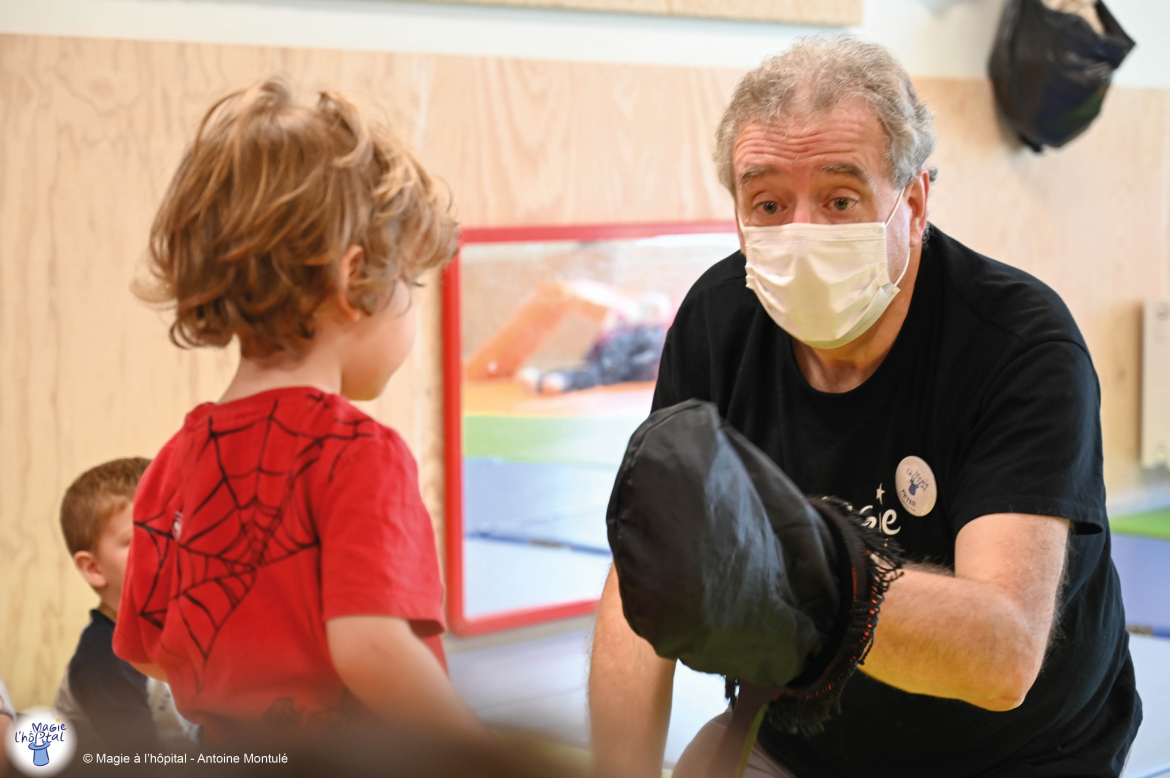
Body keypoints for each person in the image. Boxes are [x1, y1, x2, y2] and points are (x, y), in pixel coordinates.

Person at [588, 36, 1141, 778]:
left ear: (912, 204)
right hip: (800, 735)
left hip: (1021, 754)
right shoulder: (719, 322)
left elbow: (1004, 656)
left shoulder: (1020, 344)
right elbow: (642, 577)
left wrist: (822, 578)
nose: (803, 232)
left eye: (840, 199)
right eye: (769, 203)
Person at [112, 77, 487, 745]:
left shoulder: (173, 460)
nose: (415, 302)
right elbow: (373, 649)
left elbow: (144, 647)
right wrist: (479, 752)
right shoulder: (358, 452)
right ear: (352, 281)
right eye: (410, 279)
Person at [55, 457, 197, 751]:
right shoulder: (101, 658)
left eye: (174, 530)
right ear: (94, 568)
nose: (167, 547)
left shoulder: (190, 635)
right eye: (141, 538)